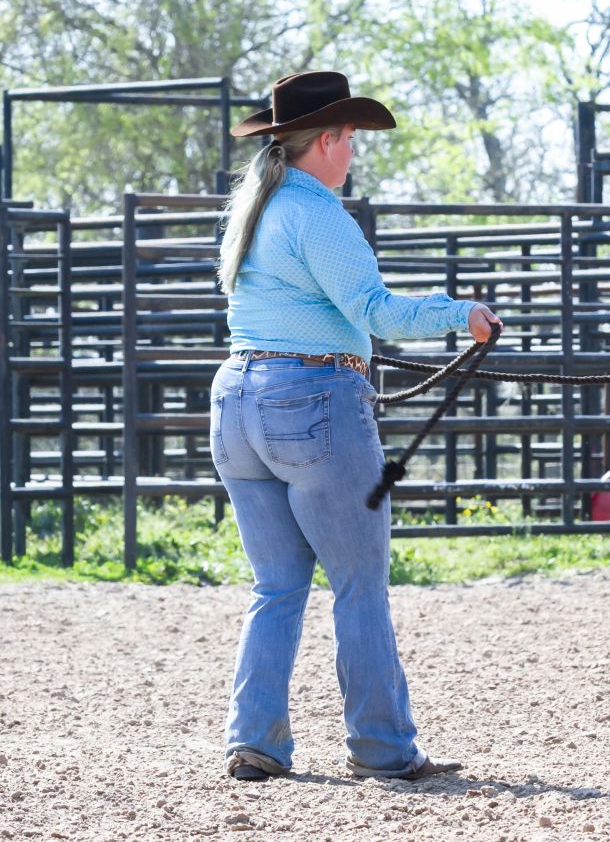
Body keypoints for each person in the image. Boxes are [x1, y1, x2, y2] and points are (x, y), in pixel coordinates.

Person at [210, 71, 500, 782]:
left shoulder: (259, 209)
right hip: (312, 402)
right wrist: (458, 314)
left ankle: (255, 740)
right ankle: (382, 747)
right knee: (359, 581)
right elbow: (377, 311)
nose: (353, 154)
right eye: (350, 140)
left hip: (237, 404)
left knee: (276, 585)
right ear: (329, 140)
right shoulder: (319, 215)